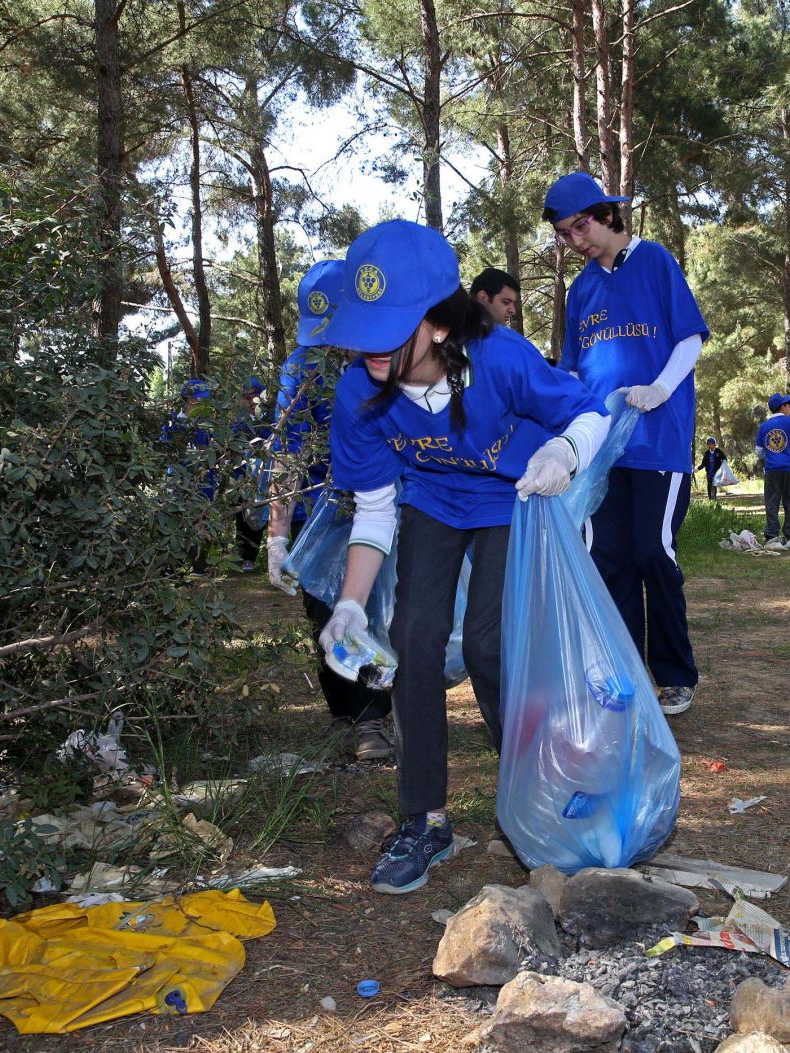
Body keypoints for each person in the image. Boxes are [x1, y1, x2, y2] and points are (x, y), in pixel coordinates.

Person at [316, 220, 609, 894]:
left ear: (441, 325)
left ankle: (542, 792)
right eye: (364, 327)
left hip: (518, 495)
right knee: (413, 638)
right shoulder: (360, 391)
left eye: (390, 327)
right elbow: (374, 507)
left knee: (487, 643)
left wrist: (565, 452)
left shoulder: (501, 359)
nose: (369, 348)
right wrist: (352, 604)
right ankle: (425, 818)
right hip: (433, 500)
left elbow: (589, 410)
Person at [544, 171, 709, 718]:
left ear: (608, 214)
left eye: (581, 225)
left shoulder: (655, 260)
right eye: (566, 234)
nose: (576, 240)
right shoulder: (582, 288)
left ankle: (675, 674)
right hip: (599, 451)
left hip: (657, 443)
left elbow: (689, 336)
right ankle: (623, 670)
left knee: (651, 552)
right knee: (606, 557)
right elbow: (571, 368)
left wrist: (662, 388)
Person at [264, 262, 395, 762]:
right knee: (324, 612)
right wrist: (277, 535)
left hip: (381, 504)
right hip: (322, 513)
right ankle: (349, 710)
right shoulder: (301, 368)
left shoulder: (386, 356)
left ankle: (374, 718)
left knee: (378, 609)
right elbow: (288, 454)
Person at [160, 378, 219, 576]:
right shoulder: (172, 424)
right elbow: (166, 452)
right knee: (176, 522)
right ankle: (172, 567)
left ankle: (199, 564)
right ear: (190, 400)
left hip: (204, 483)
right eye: (200, 400)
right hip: (178, 482)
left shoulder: (208, 425)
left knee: (201, 522)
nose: (204, 405)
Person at [757, 392, 790, 548]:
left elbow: (759, 451)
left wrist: (770, 458)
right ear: (782, 407)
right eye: (788, 405)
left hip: (772, 470)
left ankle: (772, 534)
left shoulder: (764, 426)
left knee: (772, 502)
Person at [232, 376, 269, 573]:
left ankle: (252, 558)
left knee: (260, 512)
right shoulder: (236, 420)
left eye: (254, 395)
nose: (250, 400)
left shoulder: (269, 417)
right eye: (246, 396)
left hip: (264, 475)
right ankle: (240, 556)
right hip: (240, 474)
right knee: (241, 513)